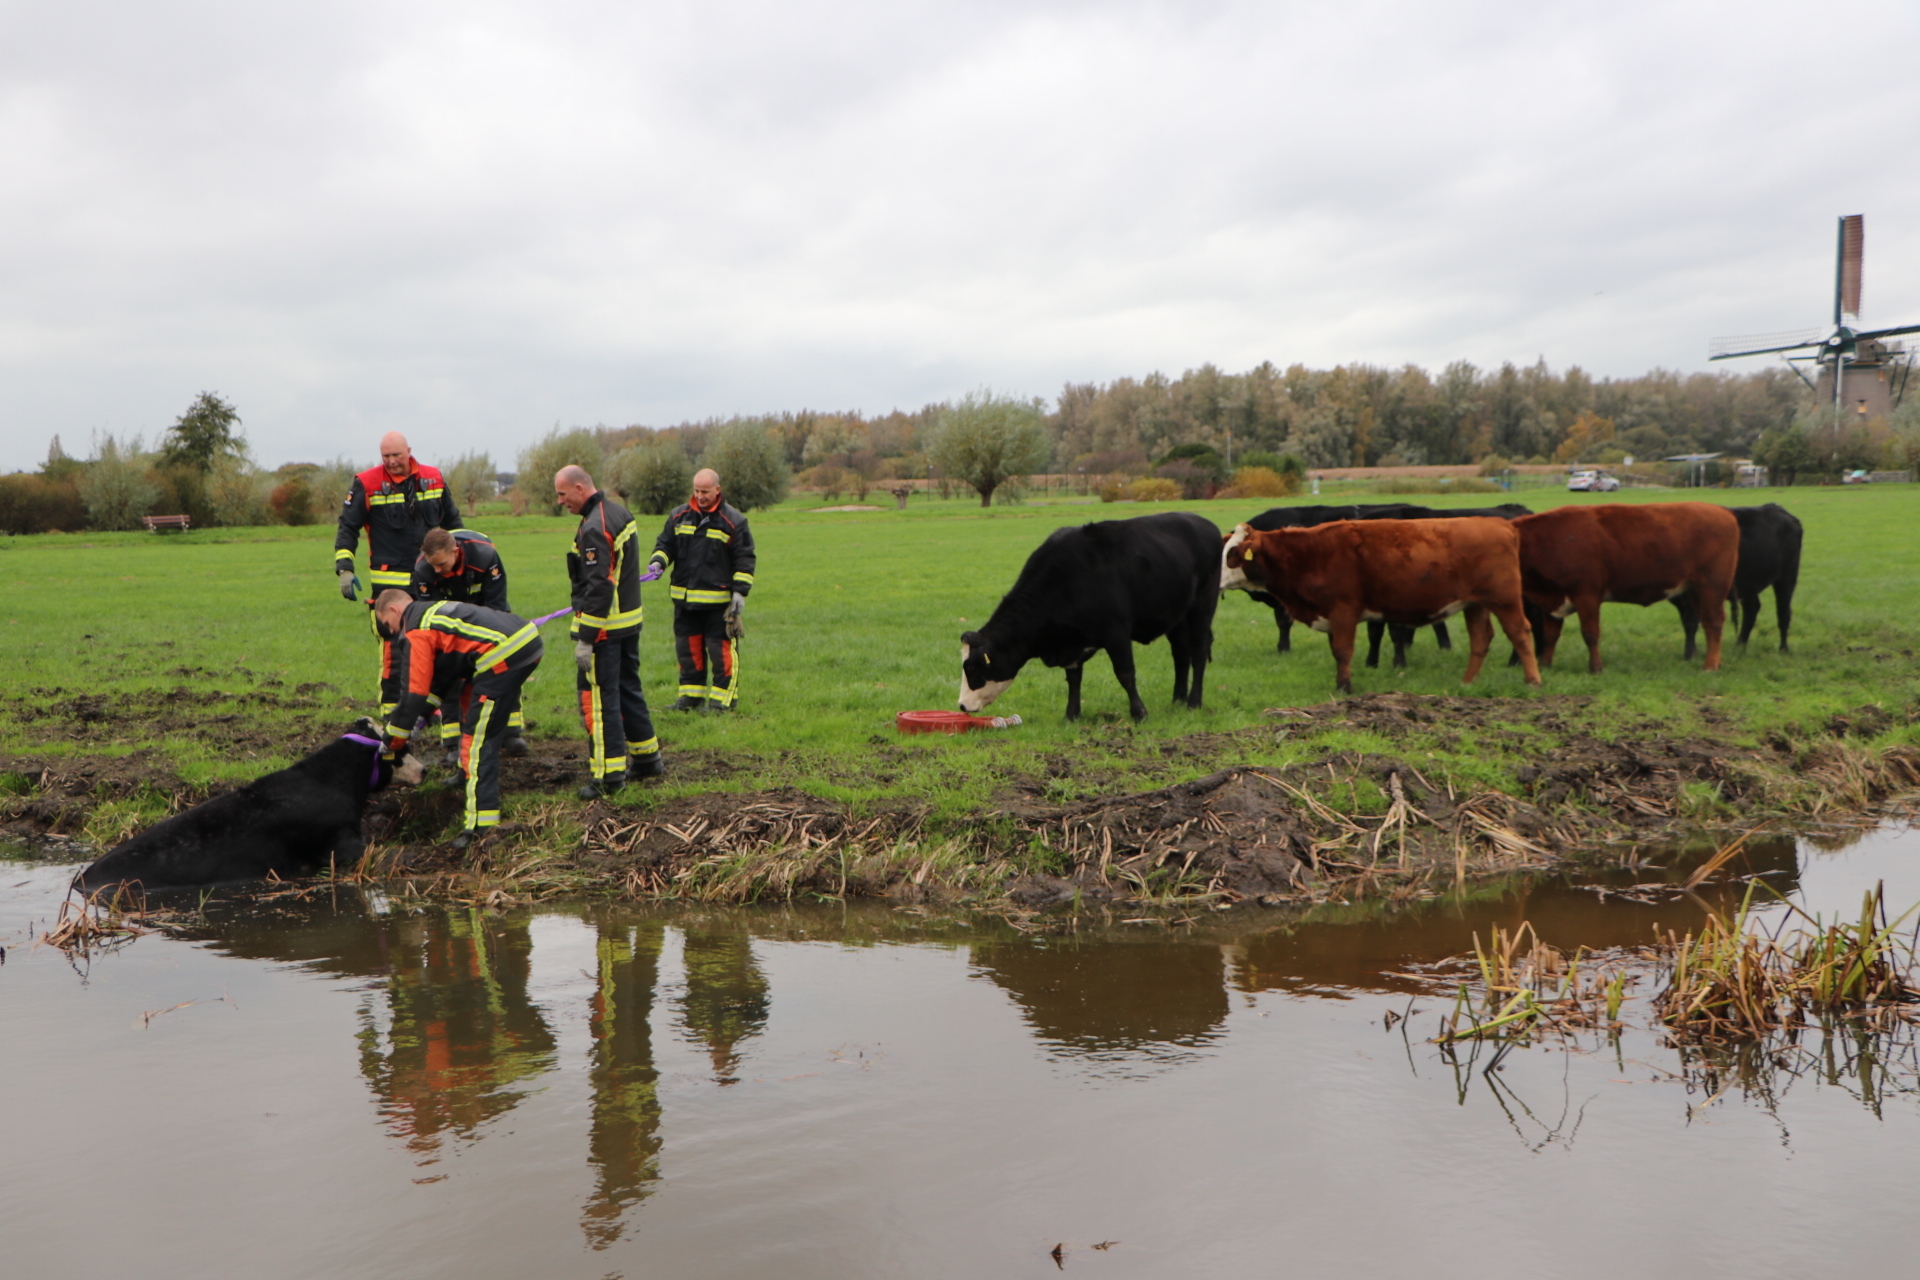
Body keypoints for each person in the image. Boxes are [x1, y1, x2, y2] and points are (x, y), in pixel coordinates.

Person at [374, 590, 541, 849]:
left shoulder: (416, 630)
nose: (394, 633)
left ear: (395, 611)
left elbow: (413, 693)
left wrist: (392, 741)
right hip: (523, 639)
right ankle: (467, 776)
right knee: (469, 707)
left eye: (388, 625)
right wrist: (423, 714)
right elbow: (443, 678)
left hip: (501, 655)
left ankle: (480, 828)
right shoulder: (433, 611)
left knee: (478, 743)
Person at [334, 432, 462, 718]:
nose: (391, 462)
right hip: (389, 589)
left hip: (432, 583)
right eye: (385, 457)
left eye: (397, 456)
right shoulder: (366, 483)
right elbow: (347, 527)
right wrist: (344, 568)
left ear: (409, 452)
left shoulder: (434, 479)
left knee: (436, 645)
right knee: (395, 651)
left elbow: (453, 525)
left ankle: (430, 708)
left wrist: (459, 567)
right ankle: (393, 713)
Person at [554, 465, 663, 798]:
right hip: (628, 622)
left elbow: (599, 585)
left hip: (605, 629)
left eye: (562, 494)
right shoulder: (618, 513)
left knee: (600, 702)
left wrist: (586, 637)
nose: (560, 501)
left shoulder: (594, 527)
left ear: (579, 487)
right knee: (629, 688)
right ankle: (647, 759)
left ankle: (608, 776)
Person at [409, 528, 530, 760]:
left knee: (504, 665)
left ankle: (511, 731)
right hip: (448, 623)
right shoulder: (424, 570)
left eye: (442, 564)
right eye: (432, 565)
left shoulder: (485, 556)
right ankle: (454, 741)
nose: (437, 570)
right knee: (449, 672)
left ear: (455, 551)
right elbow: (432, 616)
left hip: (486, 614)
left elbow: (497, 605)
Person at [648, 468, 755, 712]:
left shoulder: (734, 522)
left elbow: (745, 559)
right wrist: (658, 562)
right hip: (684, 602)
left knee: (721, 654)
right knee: (688, 653)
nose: (700, 496)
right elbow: (665, 544)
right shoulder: (679, 516)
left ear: (717, 490)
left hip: (718, 603)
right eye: (696, 491)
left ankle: (722, 703)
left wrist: (740, 593)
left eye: (705, 491)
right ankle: (690, 699)